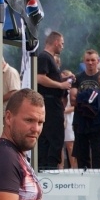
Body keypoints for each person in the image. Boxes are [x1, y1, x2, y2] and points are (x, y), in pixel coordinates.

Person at [36, 30, 73, 171]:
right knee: (53, 138)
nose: (63, 47)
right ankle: (48, 167)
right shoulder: (45, 57)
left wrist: (64, 80)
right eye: (62, 44)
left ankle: (47, 165)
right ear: (56, 42)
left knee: (52, 137)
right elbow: (40, 77)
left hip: (53, 102)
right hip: (50, 103)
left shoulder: (49, 58)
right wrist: (60, 85)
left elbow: (49, 78)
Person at [72, 49, 100, 170]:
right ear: (84, 61)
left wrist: (84, 99)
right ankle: (83, 180)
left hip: (97, 120)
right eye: (88, 60)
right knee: (82, 153)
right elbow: (73, 99)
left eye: (93, 60)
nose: (90, 63)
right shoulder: (78, 77)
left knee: (98, 152)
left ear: (98, 61)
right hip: (81, 120)